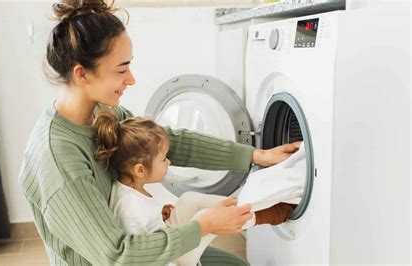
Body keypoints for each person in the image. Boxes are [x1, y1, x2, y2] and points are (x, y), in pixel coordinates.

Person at [18, 0, 301, 265]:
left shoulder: (102, 113)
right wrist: (202, 226)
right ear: (82, 74)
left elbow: (167, 142)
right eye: (121, 70)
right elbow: (117, 255)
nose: (131, 79)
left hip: (141, 245)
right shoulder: (58, 157)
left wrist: (256, 155)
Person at [94, 110, 296, 266]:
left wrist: (160, 215)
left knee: (190, 199)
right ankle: (269, 212)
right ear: (140, 170)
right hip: (170, 260)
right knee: (205, 217)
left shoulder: (132, 188)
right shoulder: (128, 206)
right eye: (163, 159)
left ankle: (251, 204)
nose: (169, 162)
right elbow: (141, 258)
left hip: (167, 240)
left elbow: (146, 229)